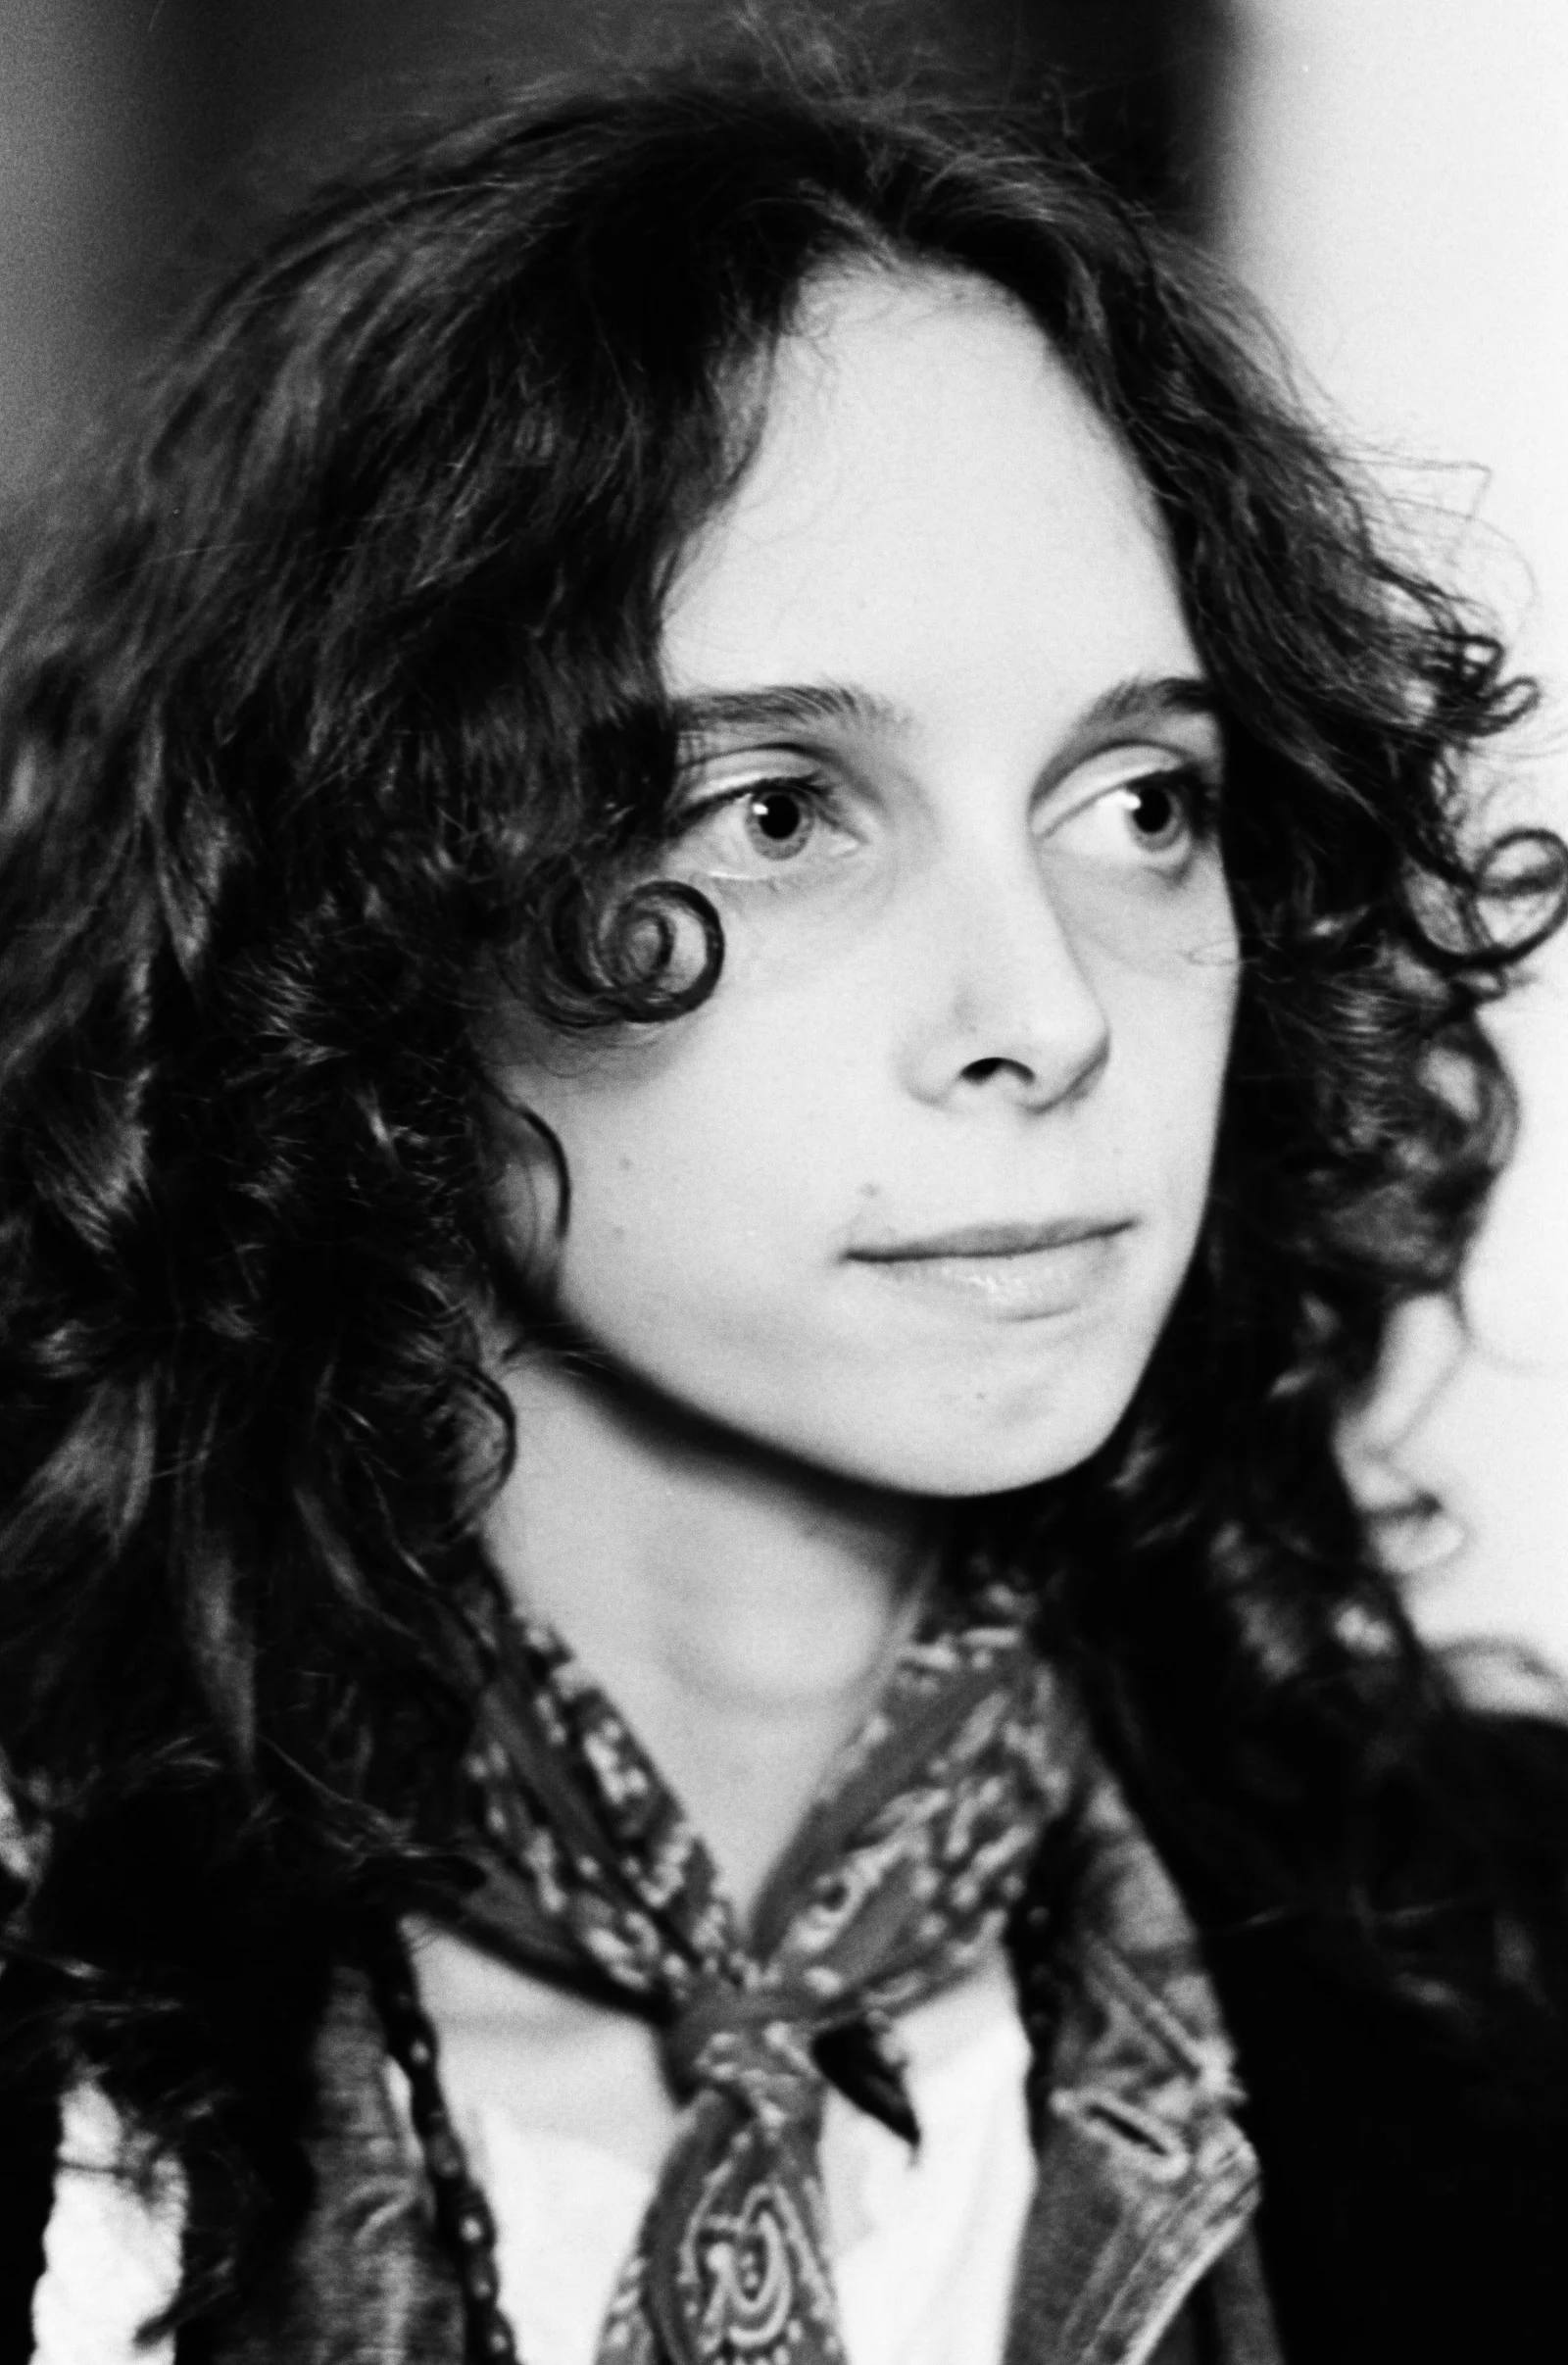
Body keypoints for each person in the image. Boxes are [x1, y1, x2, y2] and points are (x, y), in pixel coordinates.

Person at [1, 42, 1566, 2365]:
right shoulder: (72, 2089)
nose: (1044, 1012)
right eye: (775, 810)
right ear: (366, 900)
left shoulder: (1501, 1974)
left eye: (1138, 801)